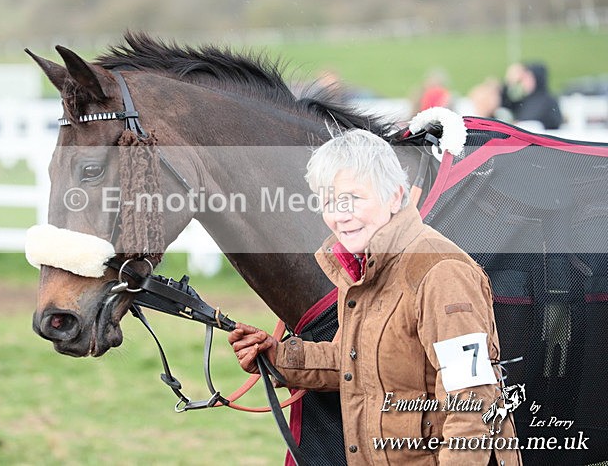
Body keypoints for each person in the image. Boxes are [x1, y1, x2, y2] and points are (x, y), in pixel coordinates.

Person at [229, 129, 521, 465]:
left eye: (353, 198)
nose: (340, 214)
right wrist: (277, 357)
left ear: (395, 197)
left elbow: (472, 400)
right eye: (329, 202)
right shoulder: (365, 268)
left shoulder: (441, 272)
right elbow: (356, 362)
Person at [500, 62, 562, 129]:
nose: (523, 82)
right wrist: (509, 83)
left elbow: (553, 121)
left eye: (528, 77)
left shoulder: (548, 101)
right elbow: (504, 103)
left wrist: (520, 123)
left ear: (537, 78)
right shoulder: (526, 100)